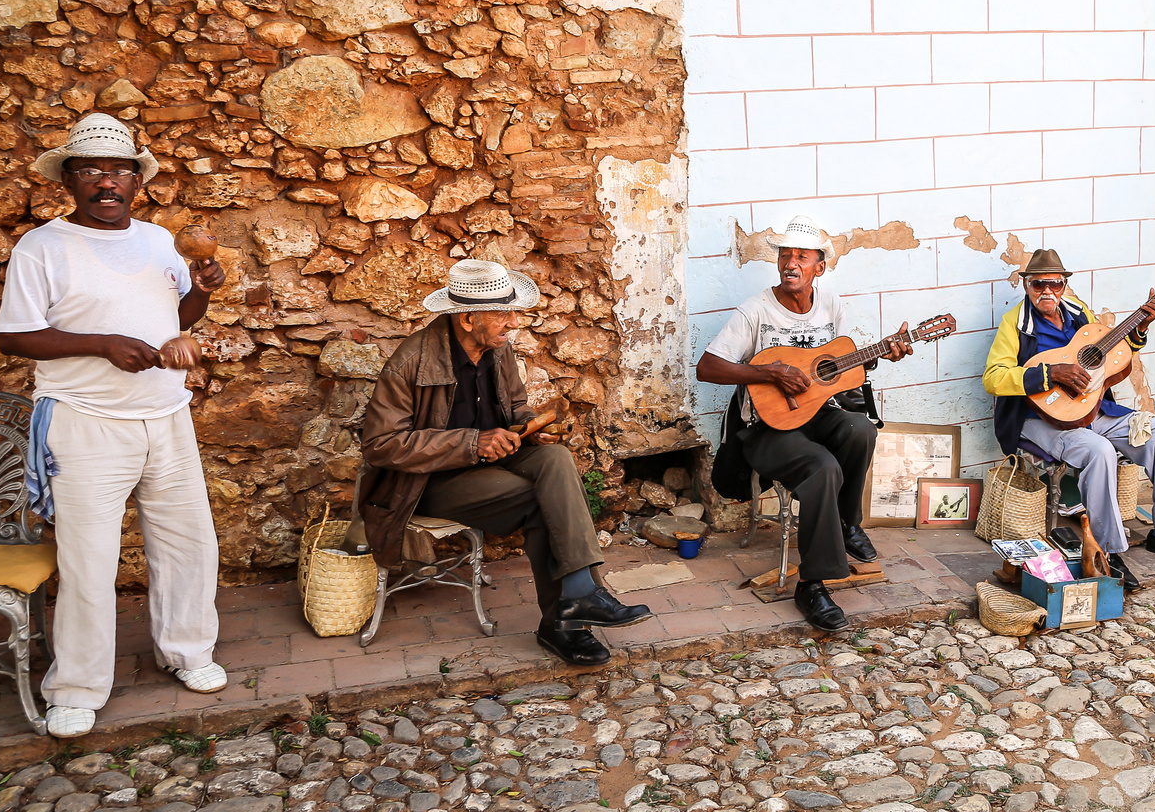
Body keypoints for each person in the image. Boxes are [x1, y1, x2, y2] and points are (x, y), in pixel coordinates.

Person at [0, 114, 228, 738]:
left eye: (120, 170)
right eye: (92, 170)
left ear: (136, 180)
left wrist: (203, 289)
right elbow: (14, 336)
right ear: (69, 178)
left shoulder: (158, 241)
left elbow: (179, 315)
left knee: (188, 544)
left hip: (167, 415)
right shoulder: (42, 247)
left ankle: (188, 653)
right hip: (83, 422)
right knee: (88, 558)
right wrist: (100, 343)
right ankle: (76, 686)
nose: (107, 181)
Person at [358, 259, 650, 667]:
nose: (513, 321)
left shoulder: (497, 349)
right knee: (542, 501)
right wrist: (472, 442)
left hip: (493, 465)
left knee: (554, 457)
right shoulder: (412, 361)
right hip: (428, 483)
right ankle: (565, 621)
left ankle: (580, 597)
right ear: (467, 317)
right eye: (502, 312)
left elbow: (514, 408)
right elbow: (381, 445)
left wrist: (532, 425)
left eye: (513, 310)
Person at [698, 215, 910, 632]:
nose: (790, 263)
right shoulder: (755, 311)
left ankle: (846, 523)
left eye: (801, 257)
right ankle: (812, 584)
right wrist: (768, 373)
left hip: (818, 414)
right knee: (822, 467)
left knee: (861, 428)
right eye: (784, 255)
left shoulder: (832, 306)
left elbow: (841, 370)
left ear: (820, 266)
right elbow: (708, 367)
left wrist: (882, 352)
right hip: (765, 428)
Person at [983, 248, 1155, 591]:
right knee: (1098, 451)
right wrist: (1051, 373)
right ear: (1027, 285)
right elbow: (993, 378)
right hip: (1041, 419)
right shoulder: (1015, 324)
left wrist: (1142, 325)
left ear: (1064, 285)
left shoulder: (1080, 313)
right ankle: (1108, 550)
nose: (1048, 292)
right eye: (1039, 285)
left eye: (1055, 285)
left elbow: (1113, 354)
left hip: (1095, 410)